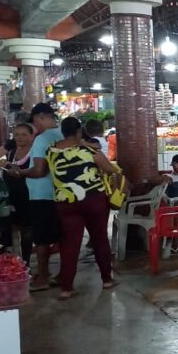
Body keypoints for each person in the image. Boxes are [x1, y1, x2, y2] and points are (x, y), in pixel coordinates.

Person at [47, 117, 120, 300]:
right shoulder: (89, 151)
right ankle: (107, 280)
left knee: (69, 245)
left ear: (62, 132)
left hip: (66, 202)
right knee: (100, 240)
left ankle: (66, 288)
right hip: (94, 200)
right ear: (79, 132)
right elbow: (110, 170)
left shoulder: (51, 152)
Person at [7, 103, 63, 291]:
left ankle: (43, 277)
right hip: (62, 192)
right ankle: (62, 273)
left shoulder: (42, 139)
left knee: (41, 239)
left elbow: (39, 171)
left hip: (41, 194)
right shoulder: (64, 134)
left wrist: (20, 172)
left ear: (41, 117)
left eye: (35, 121)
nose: (35, 126)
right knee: (61, 235)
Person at [0, 123, 35, 265]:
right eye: (16, 135)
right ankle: (16, 262)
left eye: (24, 135)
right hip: (12, 197)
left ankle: (26, 263)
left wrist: (18, 172)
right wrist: (5, 165)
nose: (19, 138)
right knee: (13, 229)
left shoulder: (35, 152)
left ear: (31, 136)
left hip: (29, 198)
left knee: (27, 233)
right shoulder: (12, 151)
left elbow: (37, 172)